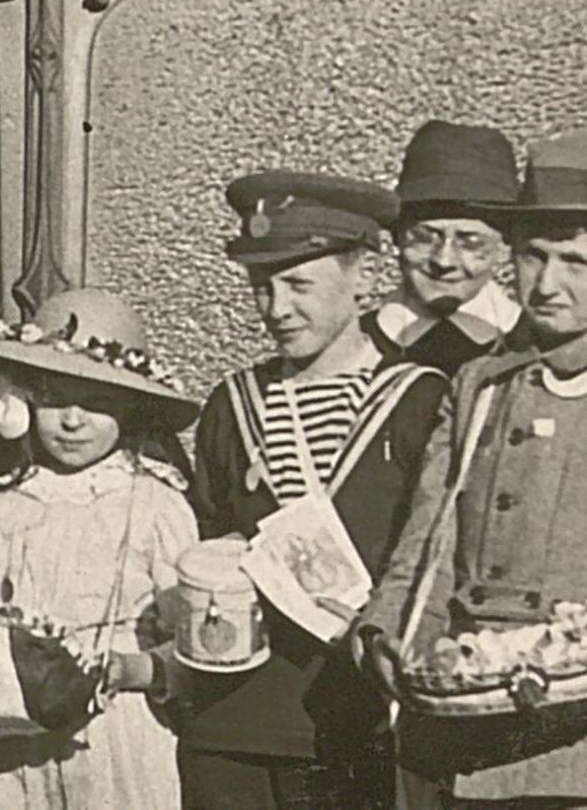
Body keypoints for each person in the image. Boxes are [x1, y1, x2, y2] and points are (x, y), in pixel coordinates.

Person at [356, 131, 587, 809]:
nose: (547, 284)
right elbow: (428, 539)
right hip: (458, 738)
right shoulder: (479, 383)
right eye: (533, 256)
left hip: (578, 758)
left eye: (576, 262)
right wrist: (388, 631)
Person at [179, 171, 450, 809]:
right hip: (230, 722)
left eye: (299, 285)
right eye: (261, 286)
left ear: (363, 276)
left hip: (352, 722)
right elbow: (207, 535)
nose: (276, 309)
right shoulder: (233, 404)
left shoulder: (418, 401)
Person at [0, 288, 201, 809]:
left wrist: (133, 668)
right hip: (11, 724)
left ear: (131, 410)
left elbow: (190, 640)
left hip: (115, 725)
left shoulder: (153, 505)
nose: (72, 421)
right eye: (55, 399)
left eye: (97, 404)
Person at [363, 120, 525, 376]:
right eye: (425, 237)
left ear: (506, 246)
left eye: (470, 242)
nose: (444, 260)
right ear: (397, 237)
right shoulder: (355, 347)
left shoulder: (533, 347)